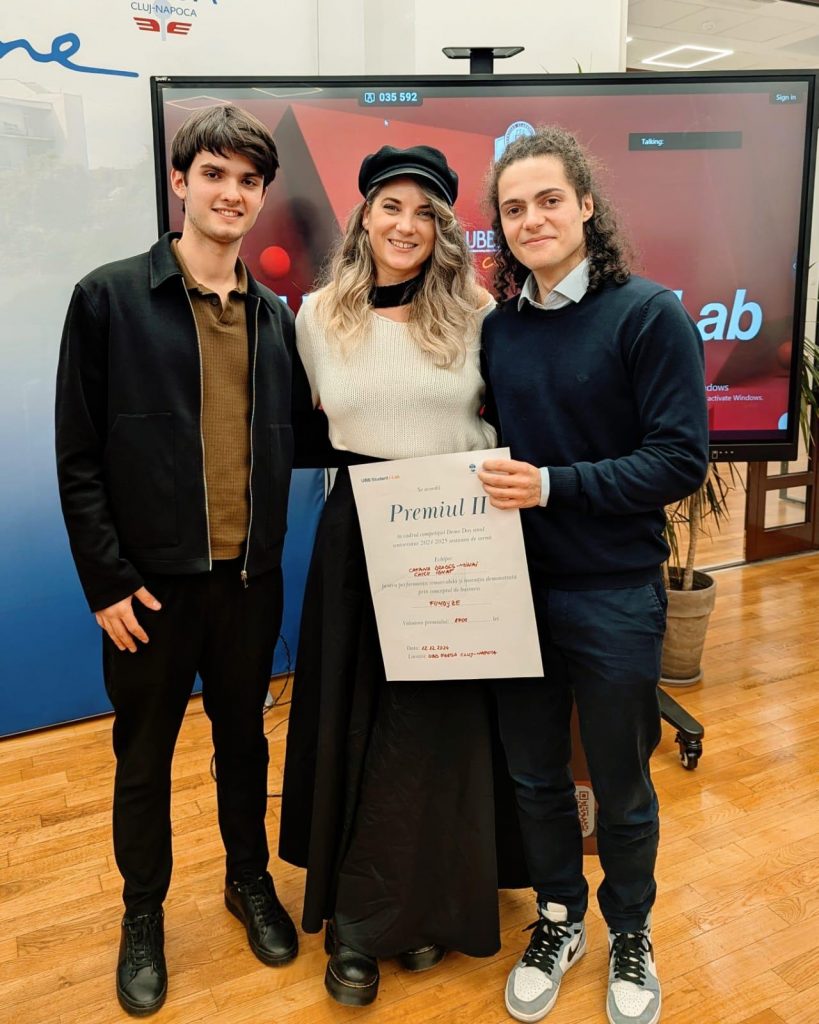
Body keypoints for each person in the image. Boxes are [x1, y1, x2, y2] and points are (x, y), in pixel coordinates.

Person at [55, 105, 309, 1016]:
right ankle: (142, 914)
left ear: (262, 194)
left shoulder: (274, 318)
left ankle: (249, 881)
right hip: (148, 592)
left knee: (244, 744)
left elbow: (303, 437)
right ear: (180, 181)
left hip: (248, 583)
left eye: (248, 180)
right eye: (214, 174)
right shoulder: (110, 298)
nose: (230, 193)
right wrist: (106, 581)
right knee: (143, 758)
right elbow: (79, 454)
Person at [278, 144, 527, 1007]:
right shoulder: (316, 316)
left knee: (438, 730)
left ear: (445, 229)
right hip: (360, 534)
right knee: (357, 723)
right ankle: (357, 920)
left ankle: (428, 906)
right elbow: (305, 430)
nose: (406, 225)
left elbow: (509, 423)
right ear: (363, 216)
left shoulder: (478, 315)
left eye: (426, 212)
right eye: (391, 206)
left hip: (456, 532)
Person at [477, 126, 709, 1024]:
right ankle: (559, 918)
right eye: (513, 208)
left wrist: (550, 486)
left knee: (619, 782)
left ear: (584, 205)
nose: (531, 219)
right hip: (513, 596)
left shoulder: (647, 315)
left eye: (547, 200)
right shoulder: (499, 331)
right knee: (535, 778)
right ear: (500, 228)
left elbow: (677, 460)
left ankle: (631, 931)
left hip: (613, 590)